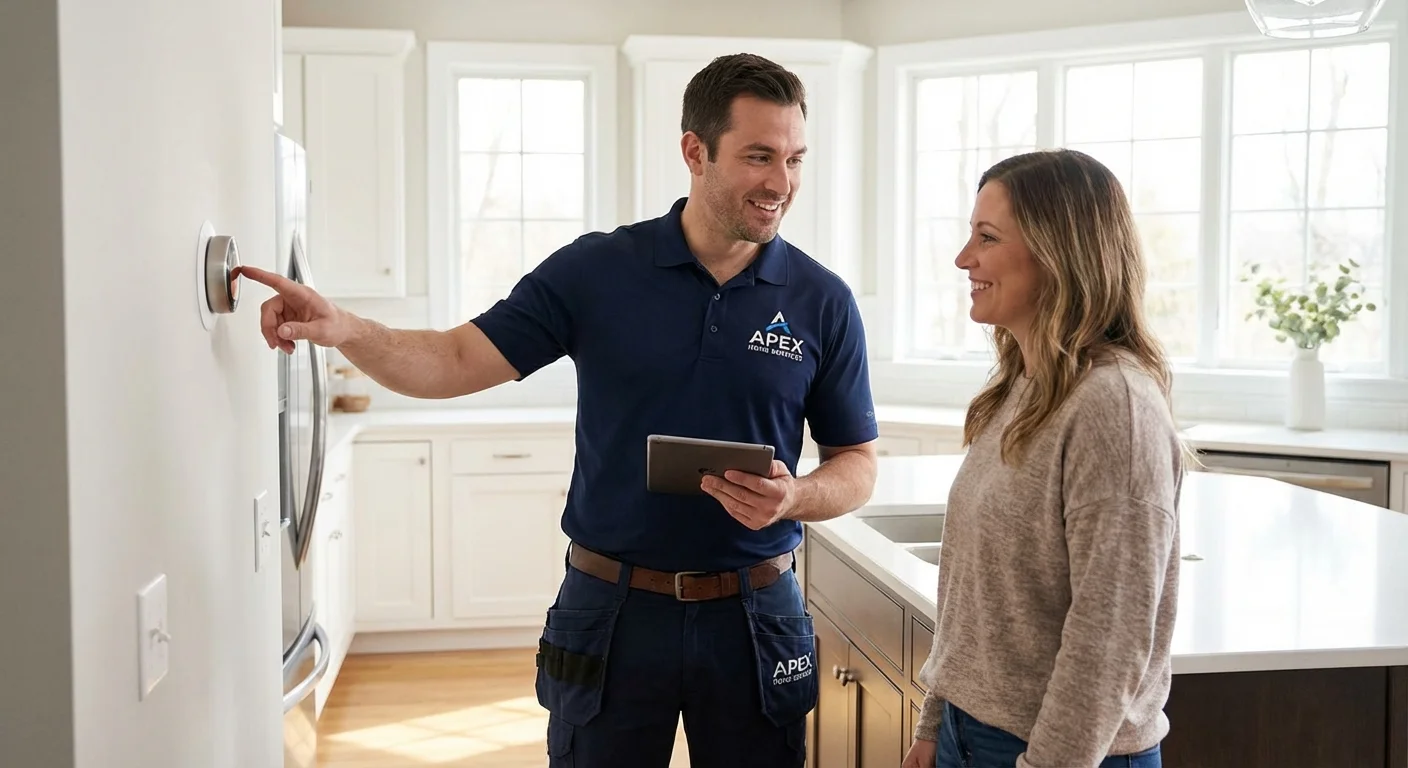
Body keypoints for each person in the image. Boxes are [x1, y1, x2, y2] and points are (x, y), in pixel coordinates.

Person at [239, 53, 878, 767]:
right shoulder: (598, 271)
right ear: (694, 152)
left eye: (794, 159)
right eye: (759, 156)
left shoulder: (823, 301)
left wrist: (795, 497)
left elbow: (856, 465)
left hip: (759, 616)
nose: (781, 183)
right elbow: (454, 360)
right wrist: (348, 329)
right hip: (611, 612)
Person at [901, 149, 1186, 768]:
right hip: (969, 734)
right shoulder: (1024, 386)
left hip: (1058, 751)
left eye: (987, 237)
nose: (963, 258)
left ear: (1057, 252)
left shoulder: (1115, 406)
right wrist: (935, 720)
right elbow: (973, 591)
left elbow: (1109, 640)